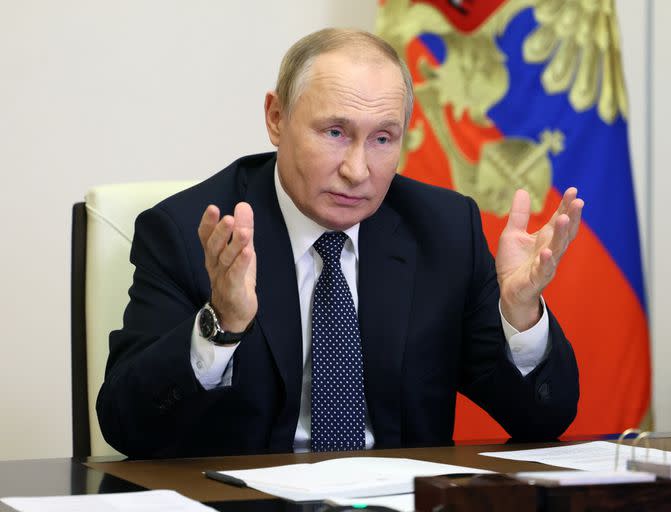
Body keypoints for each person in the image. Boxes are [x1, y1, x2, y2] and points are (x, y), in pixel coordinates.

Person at [97, 28, 582, 459]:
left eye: (382, 139)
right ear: (276, 118)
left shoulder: (445, 230)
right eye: (335, 132)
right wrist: (220, 324)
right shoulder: (191, 233)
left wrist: (521, 314)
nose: (357, 170)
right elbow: (128, 428)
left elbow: (542, 420)